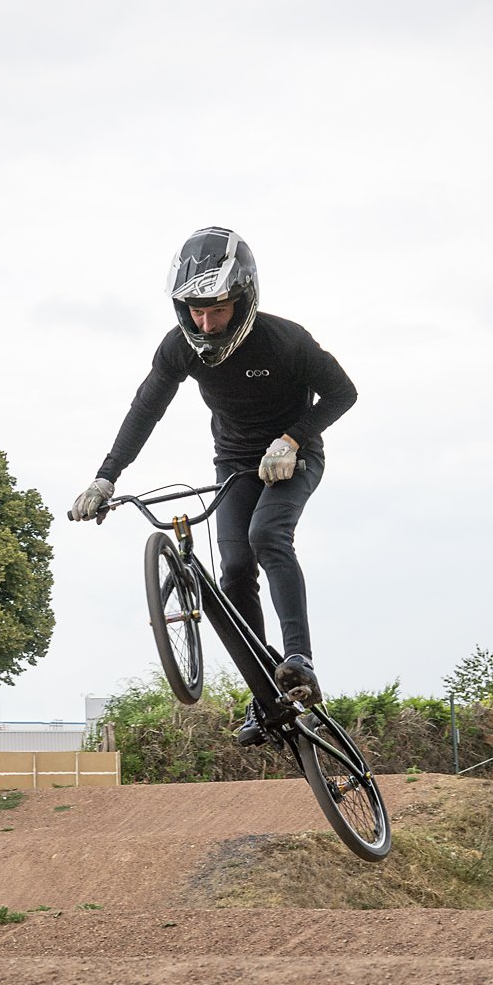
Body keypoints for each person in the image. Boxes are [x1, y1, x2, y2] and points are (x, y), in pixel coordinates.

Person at [69, 226, 358, 745]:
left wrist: (293, 438)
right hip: (235, 461)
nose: (206, 322)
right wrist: (105, 477)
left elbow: (343, 393)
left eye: (217, 310)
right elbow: (146, 409)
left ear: (244, 297)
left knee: (267, 536)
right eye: (195, 311)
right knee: (233, 571)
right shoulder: (180, 347)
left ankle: (300, 661)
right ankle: (266, 689)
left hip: (294, 455)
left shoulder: (285, 339)